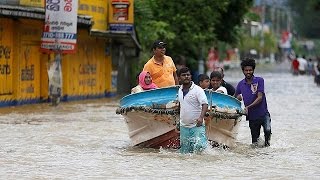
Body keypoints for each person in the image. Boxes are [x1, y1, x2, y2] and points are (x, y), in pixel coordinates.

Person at [235, 58, 272, 147]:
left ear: (253, 70)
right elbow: (235, 97)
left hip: (263, 114)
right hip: (252, 117)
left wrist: (248, 107)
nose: (248, 72)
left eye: (250, 70)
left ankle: (267, 147)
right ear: (243, 71)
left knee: (267, 130)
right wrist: (238, 97)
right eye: (246, 70)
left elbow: (260, 98)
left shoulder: (259, 80)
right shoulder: (240, 84)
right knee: (255, 143)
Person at [177, 67, 208, 153]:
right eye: (183, 75)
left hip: (197, 126)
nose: (186, 77)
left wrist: (201, 118)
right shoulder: (179, 90)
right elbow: (181, 105)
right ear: (179, 78)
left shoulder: (198, 90)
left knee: (200, 148)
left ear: (191, 76)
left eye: (188, 75)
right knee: (185, 153)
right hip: (184, 126)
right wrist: (178, 121)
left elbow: (205, 104)